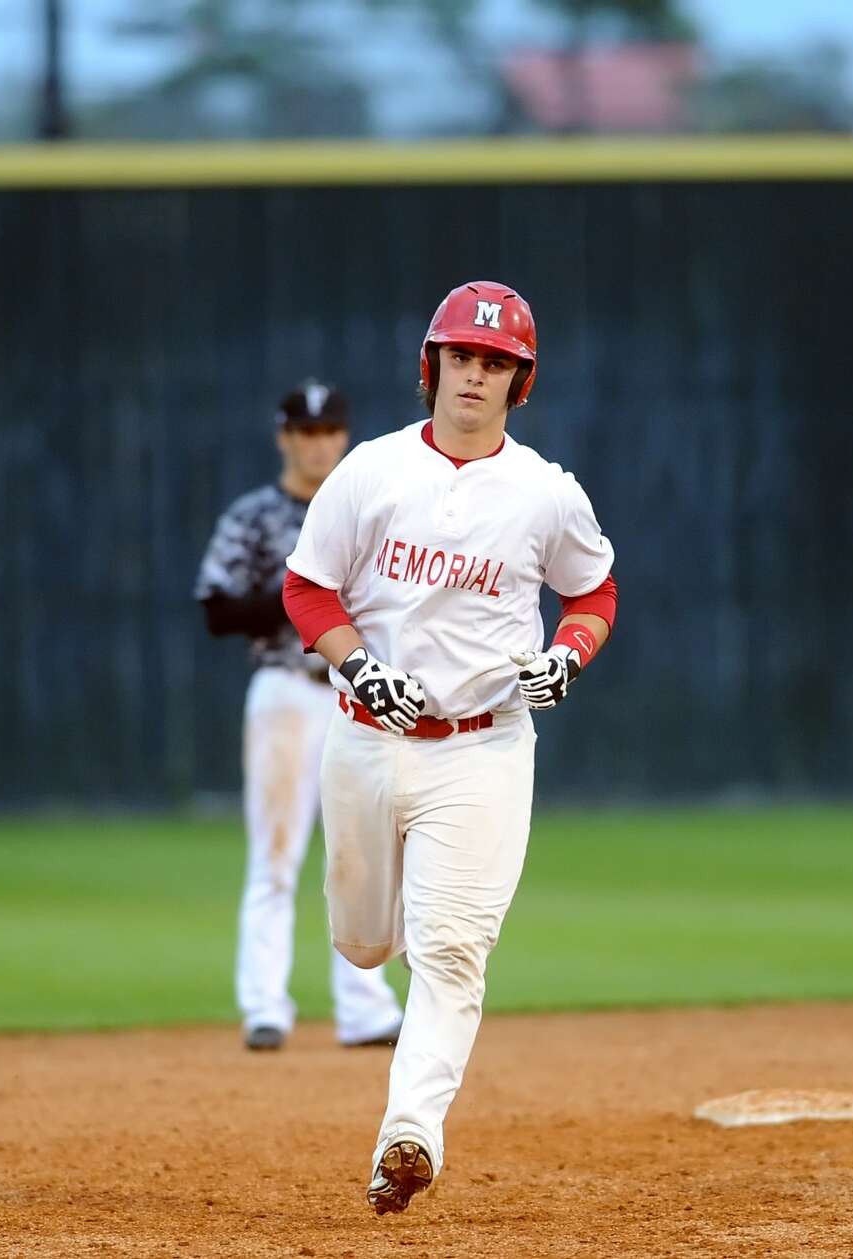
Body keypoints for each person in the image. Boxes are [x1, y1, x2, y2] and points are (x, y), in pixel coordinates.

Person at [281, 281, 618, 1214]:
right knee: (362, 942)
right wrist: (355, 668)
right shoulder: (373, 472)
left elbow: (594, 593)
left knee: (452, 948)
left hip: (483, 748)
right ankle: (375, 939)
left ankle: (409, 1133)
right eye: (463, 357)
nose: (477, 375)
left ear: (521, 381)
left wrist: (568, 654)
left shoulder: (546, 492)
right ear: (432, 367)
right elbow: (308, 590)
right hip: (366, 739)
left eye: (497, 362)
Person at [194, 381, 404, 1053]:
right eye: (306, 432)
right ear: (284, 436)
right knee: (276, 855)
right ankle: (264, 1006)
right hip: (287, 685)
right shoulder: (256, 514)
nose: (319, 443)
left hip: (358, 692)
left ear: (343, 436)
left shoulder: (367, 510)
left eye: (329, 431)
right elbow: (217, 608)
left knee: (364, 852)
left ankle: (366, 1007)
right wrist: (300, 596)